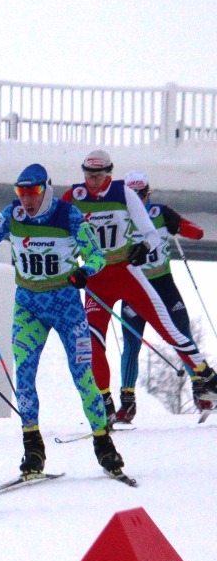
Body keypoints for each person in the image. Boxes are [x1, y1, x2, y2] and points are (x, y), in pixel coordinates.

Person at [0, 163, 125, 479]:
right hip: (29, 306)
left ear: (46, 188)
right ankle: (33, 448)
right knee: (23, 376)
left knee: (82, 375)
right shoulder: (13, 214)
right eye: (20, 191)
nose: (27, 198)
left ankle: (104, 445)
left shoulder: (68, 214)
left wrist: (83, 272)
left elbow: (97, 256)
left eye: (33, 191)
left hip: (65, 305)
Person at [59, 149, 217, 420]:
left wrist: (144, 246)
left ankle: (206, 377)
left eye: (97, 176)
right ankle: (107, 402)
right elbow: (59, 233)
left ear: (109, 173)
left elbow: (151, 235)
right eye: (87, 175)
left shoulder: (125, 195)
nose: (92, 181)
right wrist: (69, 264)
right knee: (93, 341)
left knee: (171, 331)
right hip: (96, 279)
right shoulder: (74, 197)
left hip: (127, 273)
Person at [117, 170, 211, 420]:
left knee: (183, 334)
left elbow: (195, 231)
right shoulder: (118, 216)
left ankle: (202, 390)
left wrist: (183, 227)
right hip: (134, 286)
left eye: (142, 195)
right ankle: (127, 403)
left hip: (162, 283)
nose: (139, 201)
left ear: (148, 193)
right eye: (133, 196)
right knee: (131, 344)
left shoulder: (160, 213)